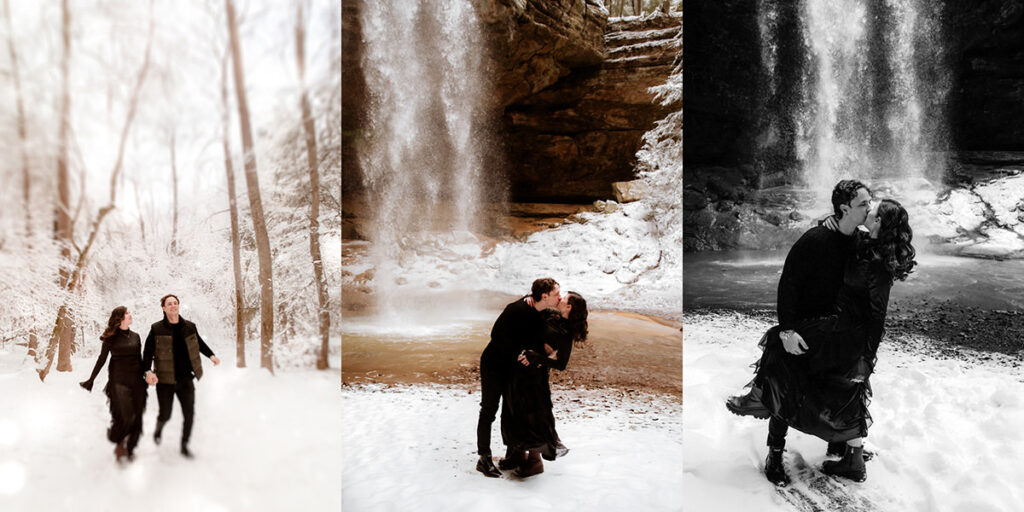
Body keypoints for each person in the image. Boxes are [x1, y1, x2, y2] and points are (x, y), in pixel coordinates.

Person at [731, 198, 916, 483]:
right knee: (795, 364)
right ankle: (846, 455)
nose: (867, 211)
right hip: (835, 327)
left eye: (872, 209)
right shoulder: (866, 243)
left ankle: (761, 407)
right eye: (865, 205)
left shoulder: (879, 264)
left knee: (785, 355)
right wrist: (827, 224)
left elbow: (878, 316)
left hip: (846, 335)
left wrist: (867, 358)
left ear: (878, 222)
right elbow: (842, 238)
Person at [475, 278, 562, 477]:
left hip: (511, 368)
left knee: (512, 408)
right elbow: (496, 335)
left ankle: (513, 454)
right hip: (494, 364)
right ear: (544, 296)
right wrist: (519, 353)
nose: (559, 296)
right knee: (489, 409)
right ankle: (484, 458)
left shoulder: (540, 311)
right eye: (556, 293)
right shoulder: (517, 309)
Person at [503, 291, 588, 478]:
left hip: (536, 378)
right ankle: (517, 454)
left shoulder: (566, 333)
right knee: (514, 409)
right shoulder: (551, 315)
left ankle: (535, 462)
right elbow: (531, 318)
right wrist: (527, 298)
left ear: (569, 307)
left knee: (533, 415)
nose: (560, 298)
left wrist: (537, 357)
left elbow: (561, 364)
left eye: (563, 298)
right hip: (520, 370)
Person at [141, 294, 220, 458]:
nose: (173, 306)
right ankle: (158, 429)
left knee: (189, 414)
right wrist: (148, 371)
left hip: (186, 379)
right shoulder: (157, 328)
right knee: (166, 414)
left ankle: (184, 444)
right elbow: (147, 352)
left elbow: (199, 343)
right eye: (169, 304)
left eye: (175, 303)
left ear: (178, 306)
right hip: (165, 380)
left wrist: (211, 355)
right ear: (164, 308)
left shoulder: (189, 326)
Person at [80, 306, 153, 462]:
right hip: (118, 380)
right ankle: (119, 440)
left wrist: (148, 373)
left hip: (137, 381)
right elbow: (102, 359)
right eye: (127, 313)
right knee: (125, 414)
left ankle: (131, 446)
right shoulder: (110, 338)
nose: (130, 314)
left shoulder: (136, 336)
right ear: (119, 318)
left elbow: (139, 360)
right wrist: (91, 379)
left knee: (137, 415)